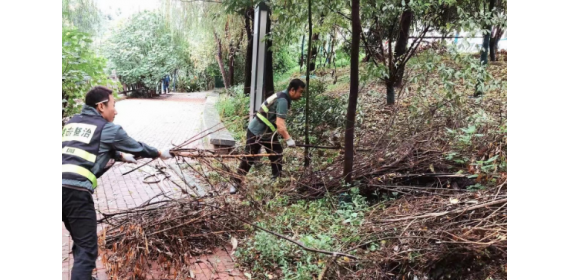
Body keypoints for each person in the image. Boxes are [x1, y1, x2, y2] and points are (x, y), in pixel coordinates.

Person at [62, 86, 174, 280]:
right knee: (87, 249)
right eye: (113, 105)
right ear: (101, 106)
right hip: (75, 192)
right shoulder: (109, 128)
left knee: (81, 240)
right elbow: (137, 146)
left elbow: (90, 148)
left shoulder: (72, 122)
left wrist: (121, 156)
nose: (116, 110)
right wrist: (158, 153)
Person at [232, 79, 306, 194]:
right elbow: (280, 125)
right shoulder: (282, 101)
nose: (300, 95)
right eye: (300, 92)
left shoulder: (282, 97)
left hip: (267, 134)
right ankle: (236, 183)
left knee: (277, 154)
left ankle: (276, 181)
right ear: (292, 90)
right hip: (256, 132)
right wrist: (288, 139)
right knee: (249, 157)